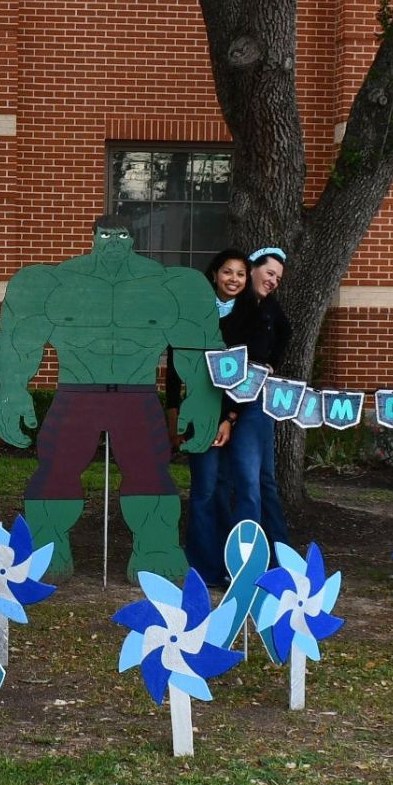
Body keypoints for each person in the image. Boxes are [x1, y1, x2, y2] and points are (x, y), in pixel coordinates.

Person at [0, 222, 222, 578]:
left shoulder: (172, 285)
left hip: (137, 393)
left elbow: (201, 346)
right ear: (93, 238)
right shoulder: (53, 282)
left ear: (133, 239)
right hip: (77, 392)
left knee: (150, 471)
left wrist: (202, 398)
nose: (114, 242)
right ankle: (46, 547)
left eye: (121, 235)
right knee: (56, 468)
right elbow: (18, 339)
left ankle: (156, 548)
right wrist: (12, 390)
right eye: (106, 235)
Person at [169, 248, 252, 585]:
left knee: (228, 490)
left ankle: (232, 565)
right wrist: (172, 411)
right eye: (228, 272)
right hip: (198, 414)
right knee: (203, 490)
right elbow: (175, 367)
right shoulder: (193, 315)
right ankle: (202, 569)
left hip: (237, 416)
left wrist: (230, 418)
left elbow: (249, 375)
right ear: (215, 274)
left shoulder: (249, 318)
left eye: (241, 274)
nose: (234, 279)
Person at [223, 246, 291, 547]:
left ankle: (279, 551)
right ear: (252, 269)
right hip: (234, 404)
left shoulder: (269, 306)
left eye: (278, 277)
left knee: (264, 482)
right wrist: (231, 412)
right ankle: (245, 558)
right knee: (247, 484)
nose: (274, 280)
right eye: (269, 273)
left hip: (259, 402)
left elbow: (286, 333)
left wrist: (271, 363)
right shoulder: (235, 308)